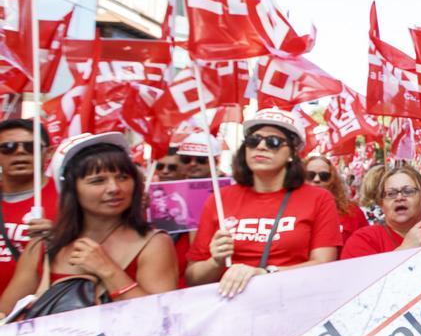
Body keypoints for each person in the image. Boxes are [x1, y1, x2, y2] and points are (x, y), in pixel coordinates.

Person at [0, 133, 178, 316]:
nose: (114, 188)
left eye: (123, 177)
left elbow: (161, 319)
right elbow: (5, 316)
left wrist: (108, 271)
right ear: (72, 190)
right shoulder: (43, 246)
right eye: (98, 181)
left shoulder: (154, 244)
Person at [185, 108, 342, 298]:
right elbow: (193, 278)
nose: (261, 146)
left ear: (292, 153)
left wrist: (266, 273)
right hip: (231, 306)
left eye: (273, 142)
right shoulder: (219, 199)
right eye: (253, 140)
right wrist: (215, 262)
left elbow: (324, 265)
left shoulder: (318, 199)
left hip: (292, 300)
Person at [340, 166, 421, 260]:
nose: (399, 198)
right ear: (381, 203)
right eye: (391, 194)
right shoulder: (363, 240)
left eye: (408, 191)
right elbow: (359, 281)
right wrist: (405, 249)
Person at [0, 119, 57, 295]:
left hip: (38, 309)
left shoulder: (68, 198)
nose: (20, 152)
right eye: (8, 147)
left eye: (30, 147)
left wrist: (60, 238)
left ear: (48, 153)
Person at [304, 156, 367, 245]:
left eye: (324, 176)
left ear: (332, 180)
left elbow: (366, 244)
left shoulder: (352, 211)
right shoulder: (290, 210)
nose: (316, 179)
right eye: (310, 175)